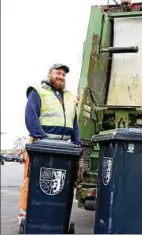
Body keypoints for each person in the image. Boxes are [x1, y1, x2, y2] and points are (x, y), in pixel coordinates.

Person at [17, 63, 81, 224]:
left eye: (63, 74)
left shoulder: (69, 96)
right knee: (31, 179)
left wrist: (77, 142)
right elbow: (30, 114)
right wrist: (40, 138)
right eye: (57, 73)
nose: (61, 76)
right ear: (49, 74)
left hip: (64, 148)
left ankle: (54, 213)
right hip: (41, 145)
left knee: (60, 182)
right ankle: (24, 214)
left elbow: (74, 122)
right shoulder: (38, 91)